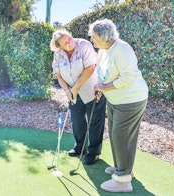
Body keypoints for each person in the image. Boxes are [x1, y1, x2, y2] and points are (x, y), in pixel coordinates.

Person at [88, 19, 149, 192]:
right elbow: (101, 74)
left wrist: (104, 87)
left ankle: (123, 180)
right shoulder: (102, 50)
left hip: (131, 100)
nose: (92, 40)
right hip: (115, 100)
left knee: (122, 137)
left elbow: (128, 77)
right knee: (116, 136)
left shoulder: (122, 48)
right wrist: (99, 87)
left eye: (94, 37)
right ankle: (121, 167)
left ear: (104, 36)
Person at [50, 29, 106, 165]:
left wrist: (74, 88)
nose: (69, 42)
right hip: (73, 95)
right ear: (59, 46)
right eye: (65, 42)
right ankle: (79, 146)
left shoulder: (84, 45)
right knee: (77, 121)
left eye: (69, 38)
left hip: (92, 90)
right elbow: (59, 75)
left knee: (94, 122)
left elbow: (91, 68)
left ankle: (93, 152)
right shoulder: (58, 54)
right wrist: (67, 91)